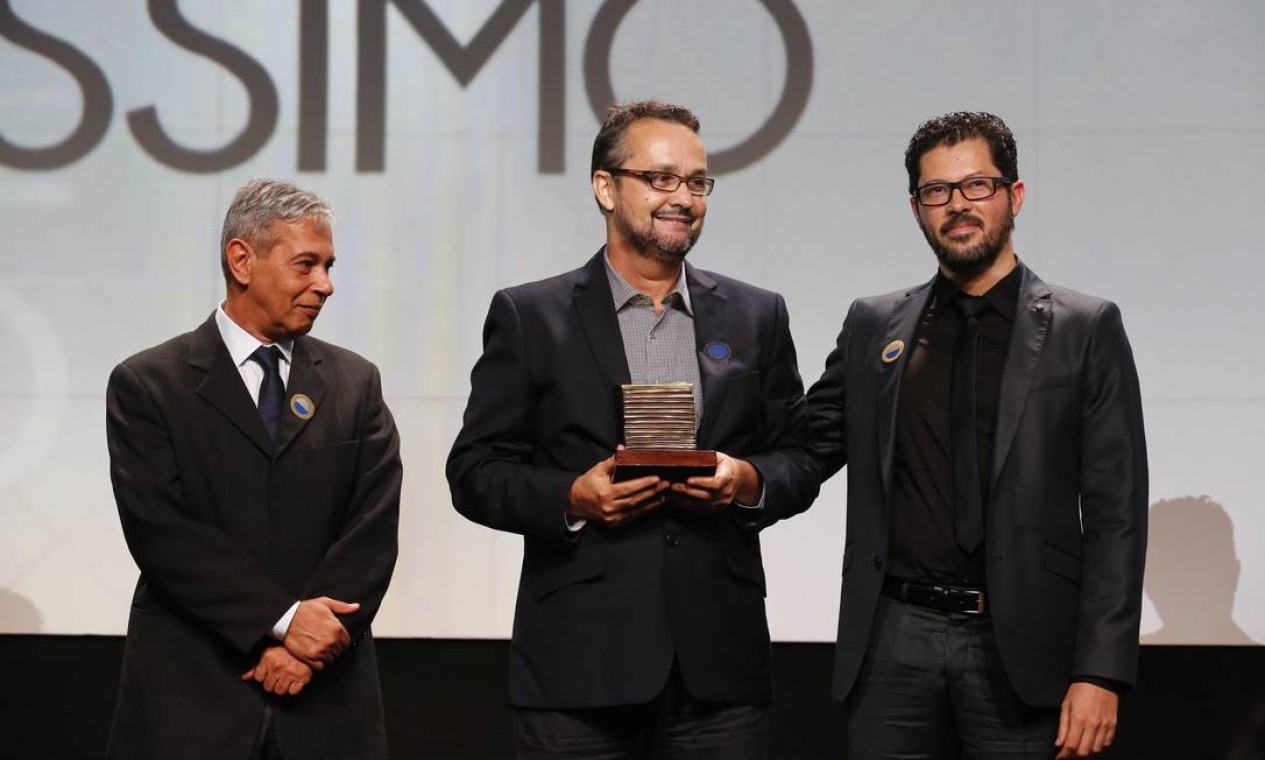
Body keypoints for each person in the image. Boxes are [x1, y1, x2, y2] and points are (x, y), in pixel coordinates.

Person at [447, 100, 818, 758]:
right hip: (576, 667)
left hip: (718, 670)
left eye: (697, 182)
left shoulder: (756, 315)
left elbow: (798, 455)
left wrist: (746, 479)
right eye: (661, 178)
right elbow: (475, 473)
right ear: (605, 188)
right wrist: (572, 497)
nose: (684, 198)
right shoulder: (531, 316)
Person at [806, 112, 1147, 758]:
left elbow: (1116, 516)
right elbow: (810, 442)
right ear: (915, 208)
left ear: (1013, 196)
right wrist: (732, 472)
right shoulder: (873, 325)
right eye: (936, 191)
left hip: (1020, 646)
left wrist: (1099, 670)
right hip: (892, 640)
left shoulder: (1085, 328)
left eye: (976, 186)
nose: (956, 205)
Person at [105, 179, 402, 759]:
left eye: (330, 265)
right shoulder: (149, 384)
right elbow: (161, 531)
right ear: (241, 260)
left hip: (325, 695)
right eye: (306, 265)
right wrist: (282, 621)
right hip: (194, 692)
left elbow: (372, 524)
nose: (326, 284)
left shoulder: (355, 383)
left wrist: (306, 646)